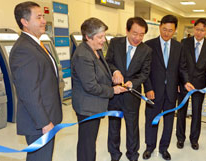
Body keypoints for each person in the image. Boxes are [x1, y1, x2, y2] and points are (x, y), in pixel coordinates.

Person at [9, 1, 62, 161]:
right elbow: (28, 92)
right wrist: (44, 123)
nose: (44, 21)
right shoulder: (23, 49)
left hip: (46, 117)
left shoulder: (36, 44)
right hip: (38, 123)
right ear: (25, 22)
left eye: (43, 16)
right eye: (38, 17)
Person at [71, 17, 126, 161]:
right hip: (87, 108)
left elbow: (101, 72)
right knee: (87, 145)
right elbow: (90, 86)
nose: (104, 40)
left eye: (104, 36)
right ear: (88, 37)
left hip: (94, 106)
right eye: (100, 37)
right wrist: (113, 90)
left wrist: (113, 76)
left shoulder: (96, 50)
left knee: (89, 143)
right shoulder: (83, 55)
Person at [143, 15, 194, 160]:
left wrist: (185, 82)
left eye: (170, 30)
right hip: (153, 91)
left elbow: (182, 68)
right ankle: (150, 147)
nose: (166, 33)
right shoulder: (149, 45)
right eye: (164, 29)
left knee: (169, 122)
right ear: (160, 27)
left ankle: (164, 148)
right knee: (151, 121)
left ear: (175, 30)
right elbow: (145, 70)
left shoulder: (179, 47)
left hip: (171, 92)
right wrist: (148, 88)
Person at [106, 17, 152, 161]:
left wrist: (133, 82)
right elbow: (108, 62)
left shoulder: (146, 50)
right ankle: (114, 153)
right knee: (113, 125)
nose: (137, 38)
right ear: (127, 30)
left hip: (132, 96)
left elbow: (145, 73)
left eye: (141, 34)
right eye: (134, 33)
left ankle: (132, 154)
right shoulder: (115, 43)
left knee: (132, 126)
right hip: (114, 93)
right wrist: (115, 72)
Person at [176, 18, 206, 150]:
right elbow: (180, 65)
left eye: (202, 30)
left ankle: (194, 139)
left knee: (197, 112)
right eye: (197, 29)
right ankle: (180, 138)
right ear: (194, 29)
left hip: (199, 85)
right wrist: (183, 81)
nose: (198, 33)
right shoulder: (184, 43)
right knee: (181, 111)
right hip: (184, 82)